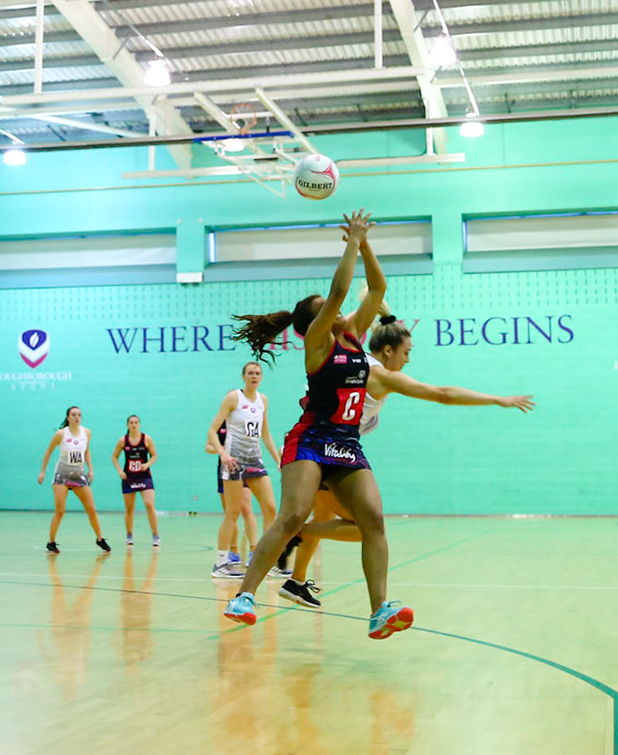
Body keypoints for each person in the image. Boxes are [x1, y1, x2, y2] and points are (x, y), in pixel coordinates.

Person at [221, 210, 413, 639]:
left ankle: (380, 609)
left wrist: (365, 245)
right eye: (330, 308)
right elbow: (340, 289)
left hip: (347, 442)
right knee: (291, 515)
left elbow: (378, 287)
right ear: (321, 319)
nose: (343, 310)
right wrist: (351, 242)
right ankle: (244, 595)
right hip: (311, 438)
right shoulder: (316, 343)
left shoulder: (352, 335)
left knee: (374, 520)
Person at [278, 314, 533, 610]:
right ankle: (295, 534)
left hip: (319, 448)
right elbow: (442, 394)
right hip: (322, 451)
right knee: (365, 527)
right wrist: (497, 399)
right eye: (407, 352)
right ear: (388, 350)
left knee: (323, 515)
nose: (408, 359)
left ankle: (295, 580)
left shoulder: (360, 361)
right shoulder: (377, 376)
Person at [206, 363, 279, 579]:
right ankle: (220, 564)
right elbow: (211, 431)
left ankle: (267, 560)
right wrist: (222, 454)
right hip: (234, 462)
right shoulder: (233, 398)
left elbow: (265, 434)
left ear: (261, 377)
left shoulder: (263, 401)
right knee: (233, 512)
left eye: (257, 373)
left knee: (270, 509)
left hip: (255, 459)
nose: (254, 376)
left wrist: (278, 459)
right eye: (250, 373)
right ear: (243, 377)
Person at [37, 406, 110, 555]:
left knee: (91, 508)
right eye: (74, 415)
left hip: (79, 475)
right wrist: (43, 472)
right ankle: (51, 542)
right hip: (62, 475)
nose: (77, 417)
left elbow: (87, 451)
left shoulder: (87, 433)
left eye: (79, 415)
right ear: (68, 417)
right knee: (60, 510)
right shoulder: (60, 434)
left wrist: (91, 469)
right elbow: (48, 452)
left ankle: (100, 538)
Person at [114, 415, 159, 548]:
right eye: (131, 423)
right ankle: (129, 534)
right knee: (129, 508)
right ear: (128, 425)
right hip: (129, 478)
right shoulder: (123, 440)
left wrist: (147, 464)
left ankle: (156, 535)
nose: (134, 425)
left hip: (144, 476)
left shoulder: (146, 439)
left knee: (149, 504)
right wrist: (120, 471)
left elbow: (154, 455)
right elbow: (114, 457)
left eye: (136, 422)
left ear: (139, 424)